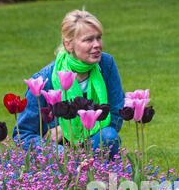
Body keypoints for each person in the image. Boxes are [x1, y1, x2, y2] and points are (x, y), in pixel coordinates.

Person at [13, 9, 125, 159]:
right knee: (63, 156)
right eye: (88, 40)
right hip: (59, 151)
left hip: (94, 141)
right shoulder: (45, 79)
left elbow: (116, 113)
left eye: (99, 38)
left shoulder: (106, 65)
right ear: (68, 45)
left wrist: (71, 129)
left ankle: (98, 176)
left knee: (108, 136)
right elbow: (23, 134)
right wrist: (61, 151)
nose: (97, 44)